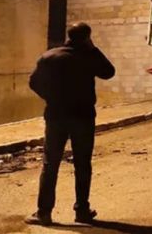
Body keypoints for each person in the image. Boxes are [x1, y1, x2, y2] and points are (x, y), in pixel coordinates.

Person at [26, 23, 115, 226]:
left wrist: (51, 98)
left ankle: (44, 212)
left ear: (68, 35)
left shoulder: (49, 56)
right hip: (83, 116)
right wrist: (93, 49)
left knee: (50, 163)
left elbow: (33, 82)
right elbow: (109, 72)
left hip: (56, 116)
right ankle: (82, 211)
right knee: (83, 163)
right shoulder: (89, 57)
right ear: (87, 38)